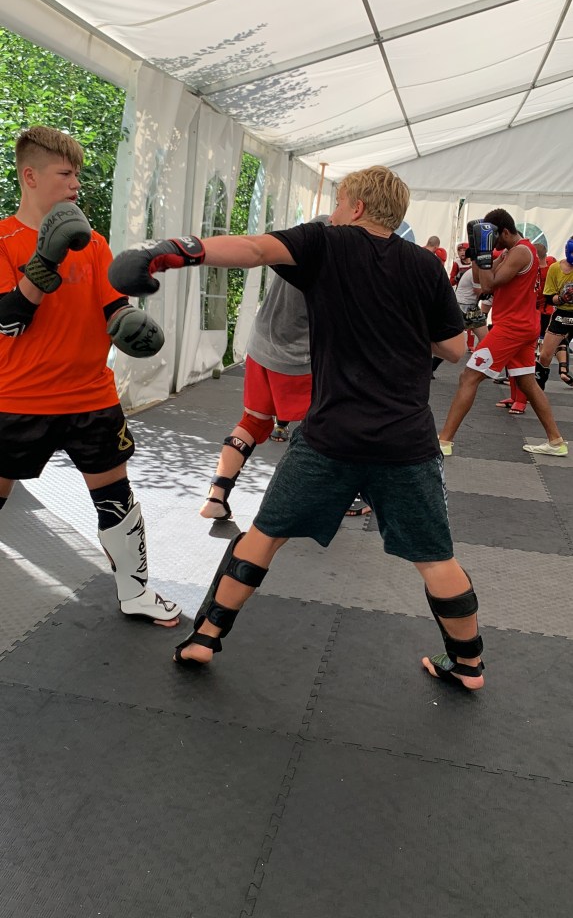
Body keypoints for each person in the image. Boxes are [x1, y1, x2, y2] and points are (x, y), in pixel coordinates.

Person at [109, 165, 485, 691]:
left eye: (338, 202)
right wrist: (400, 325)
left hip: (330, 436)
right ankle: (468, 666)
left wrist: (174, 250)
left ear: (355, 207)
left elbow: (254, 249)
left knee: (264, 536)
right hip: (406, 441)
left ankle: (205, 638)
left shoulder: (325, 241)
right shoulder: (425, 264)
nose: (333, 212)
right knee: (436, 558)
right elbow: (455, 348)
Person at [0, 126, 181, 626]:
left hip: (91, 397)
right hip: (17, 399)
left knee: (117, 500)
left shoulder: (95, 243)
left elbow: (111, 305)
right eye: (65, 173)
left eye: (78, 174)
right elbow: (8, 320)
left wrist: (130, 324)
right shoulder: (2, 240)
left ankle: (136, 593)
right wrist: (46, 258)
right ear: (30, 176)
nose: (76, 183)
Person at [199, 217, 329, 521]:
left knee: (254, 422)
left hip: (261, 345)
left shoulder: (304, 235)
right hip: (296, 355)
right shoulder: (336, 242)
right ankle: (330, 499)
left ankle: (216, 495)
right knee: (327, 428)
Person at [438, 210, 567, 457]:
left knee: (468, 376)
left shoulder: (521, 252)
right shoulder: (511, 251)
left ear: (504, 232)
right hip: (522, 325)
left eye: (493, 239)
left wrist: (485, 255)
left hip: (512, 328)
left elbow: (488, 286)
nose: (493, 245)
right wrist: (477, 251)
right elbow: (479, 279)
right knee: (527, 382)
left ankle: (444, 441)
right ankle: (555, 441)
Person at [535, 238, 573, 388]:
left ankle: (563, 370)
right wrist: (563, 298)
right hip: (562, 314)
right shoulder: (555, 268)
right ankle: (537, 390)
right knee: (545, 355)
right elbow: (549, 298)